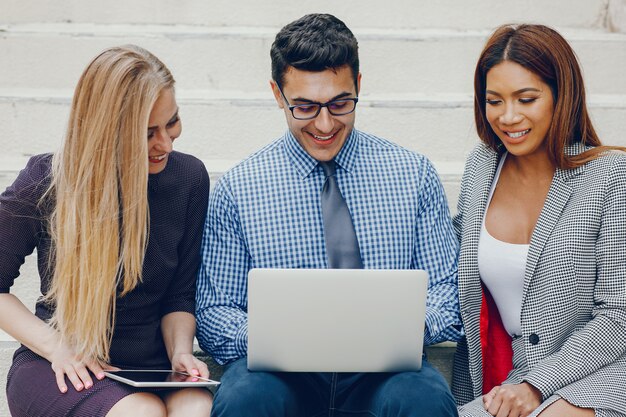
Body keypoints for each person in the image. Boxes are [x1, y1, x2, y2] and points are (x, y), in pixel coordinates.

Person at [196, 13, 462, 417]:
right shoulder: (239, 188)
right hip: (280, 374)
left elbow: (447, 288)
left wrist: (404, 329)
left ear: (359, 84)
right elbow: (215, 311)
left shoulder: (413, 174)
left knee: (424, 398)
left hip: (386, 373)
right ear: (276, 94)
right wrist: (278, 338)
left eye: (340, 103)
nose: (324, 124)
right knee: (243, 399)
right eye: (304, 106)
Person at [0, 45, 213, 417]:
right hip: (60, 365)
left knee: (196, 408)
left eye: (172, 122)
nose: (165, 143)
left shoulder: (189, 178)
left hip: (151, 369)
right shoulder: (47, 179)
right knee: (142, 413)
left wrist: (181, 351)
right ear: (107, 130)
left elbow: (180, 294)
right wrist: (55, 347)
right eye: (147, 133)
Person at [452, 24, 626, 417]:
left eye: (526, 98)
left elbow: (619, 315)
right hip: (512, 374)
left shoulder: (612, 175)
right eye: (493, 100)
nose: (508, 116)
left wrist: (537, 384)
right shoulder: (481, 168)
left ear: (561, 96)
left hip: (604, 368)